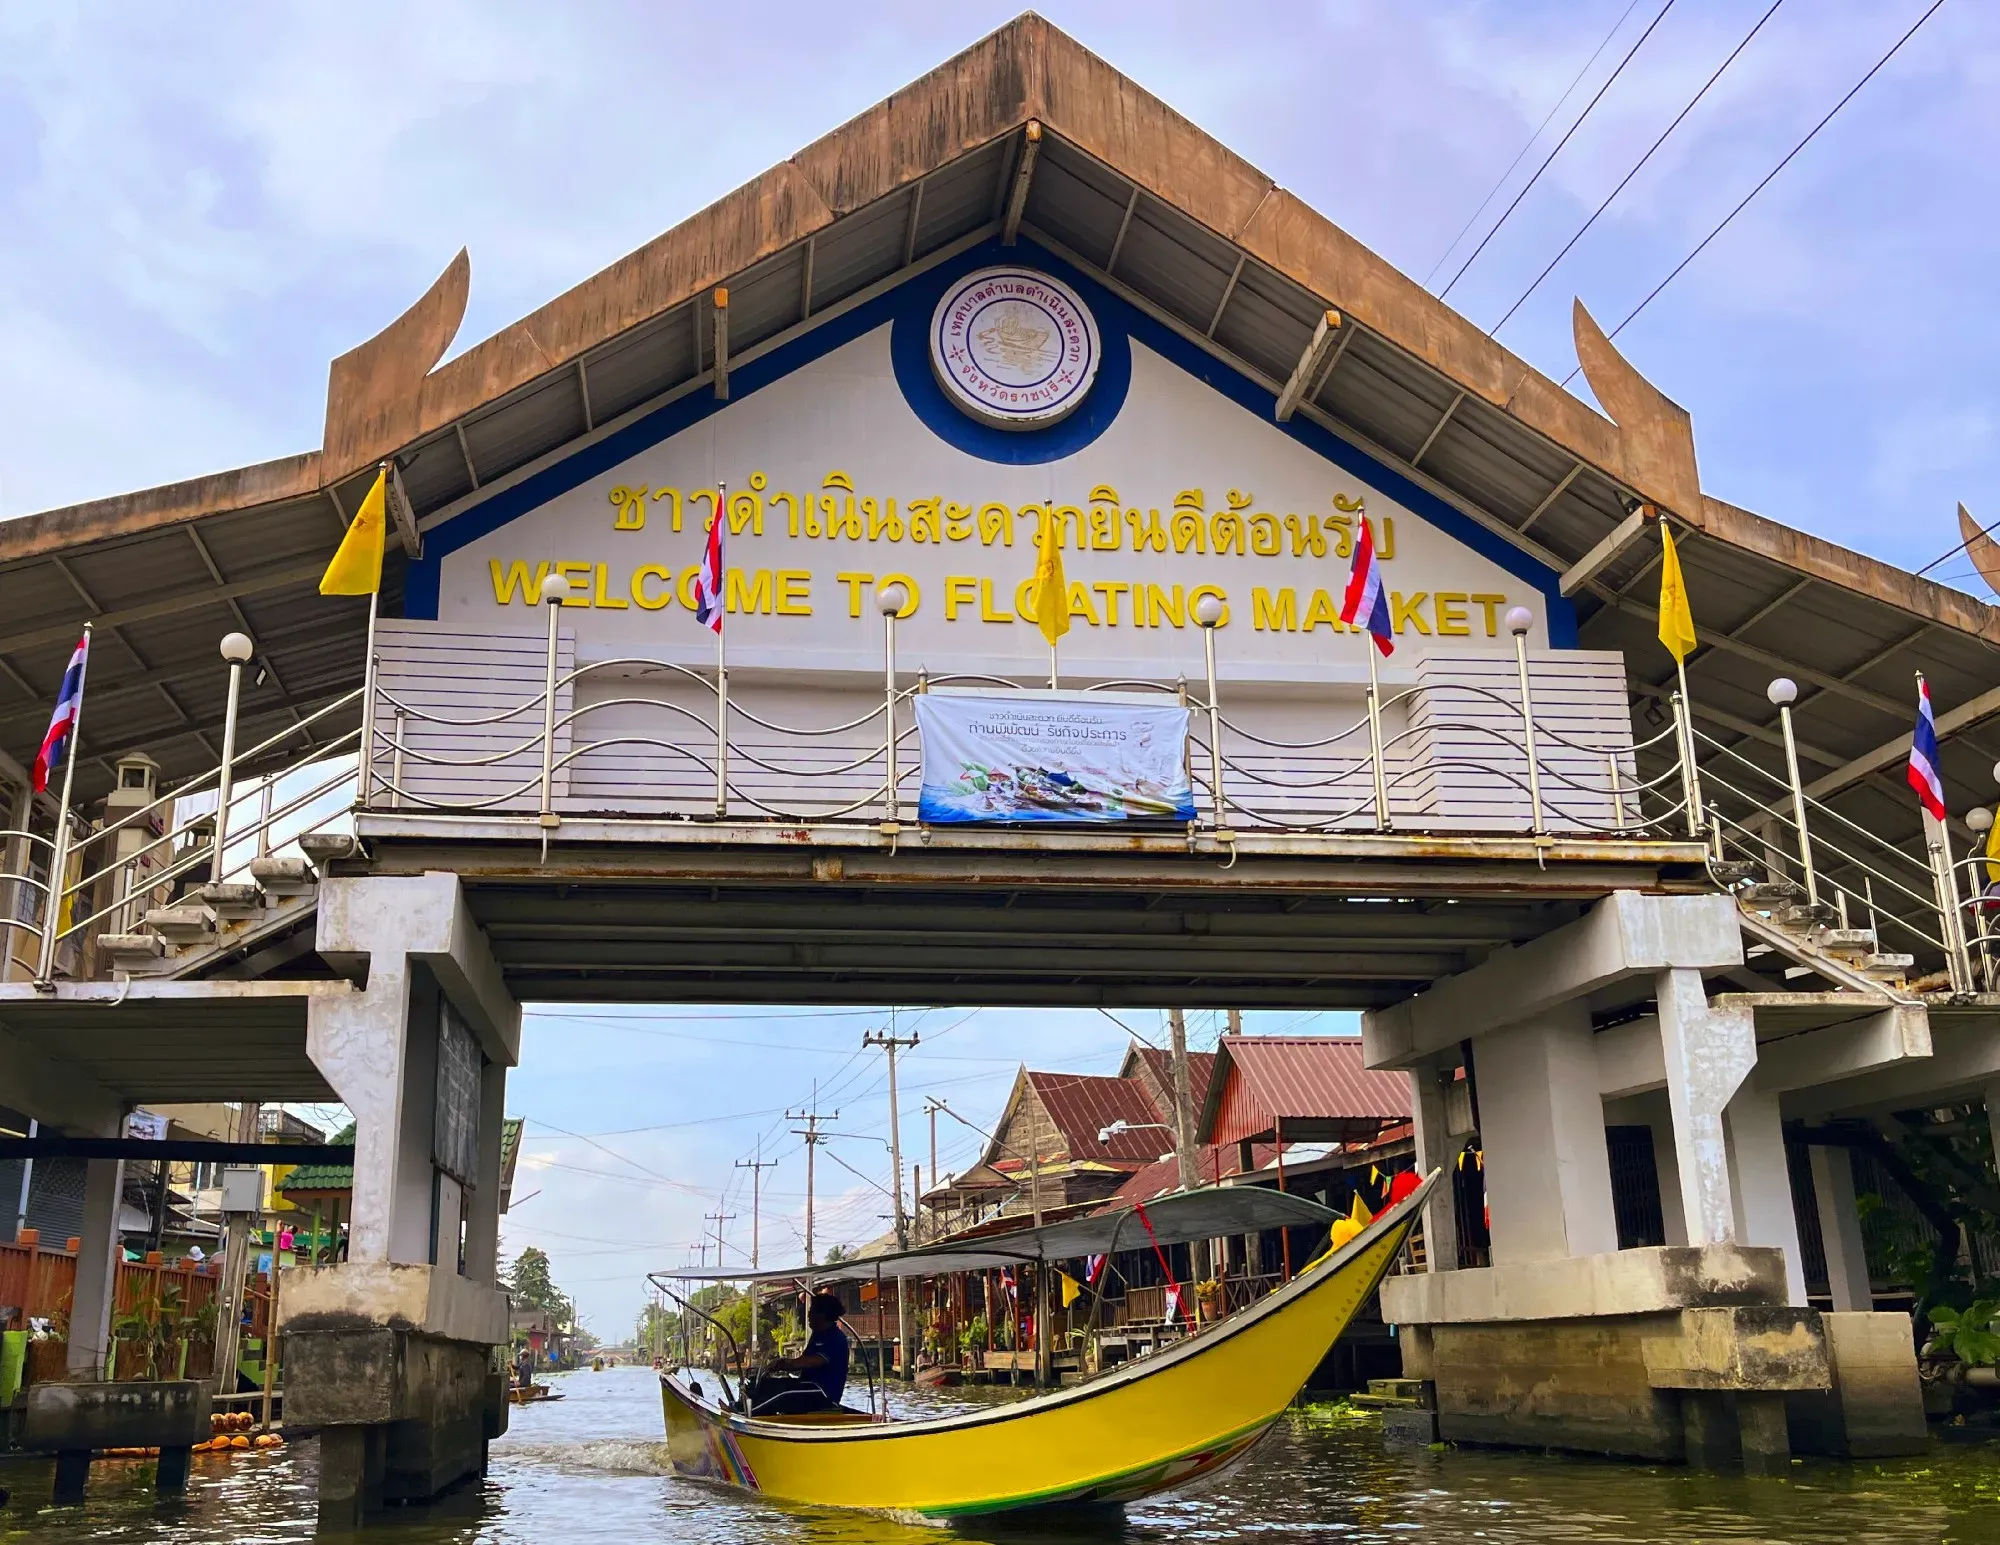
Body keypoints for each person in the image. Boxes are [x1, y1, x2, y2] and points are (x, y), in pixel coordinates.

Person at [748, 1292, 850, 1416]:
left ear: (822, 1315)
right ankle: (745, 1408)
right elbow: (803, 1359)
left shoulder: (835, 1337)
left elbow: (814, 1361)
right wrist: (781, 1364)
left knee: (781, 1393)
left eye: (812, 1312)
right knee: (769, 1383)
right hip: (807, 1386)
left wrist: (789, 1363)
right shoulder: (817, 1335)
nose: (808, 1315)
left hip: (822, 1393)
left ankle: (752, 1415)